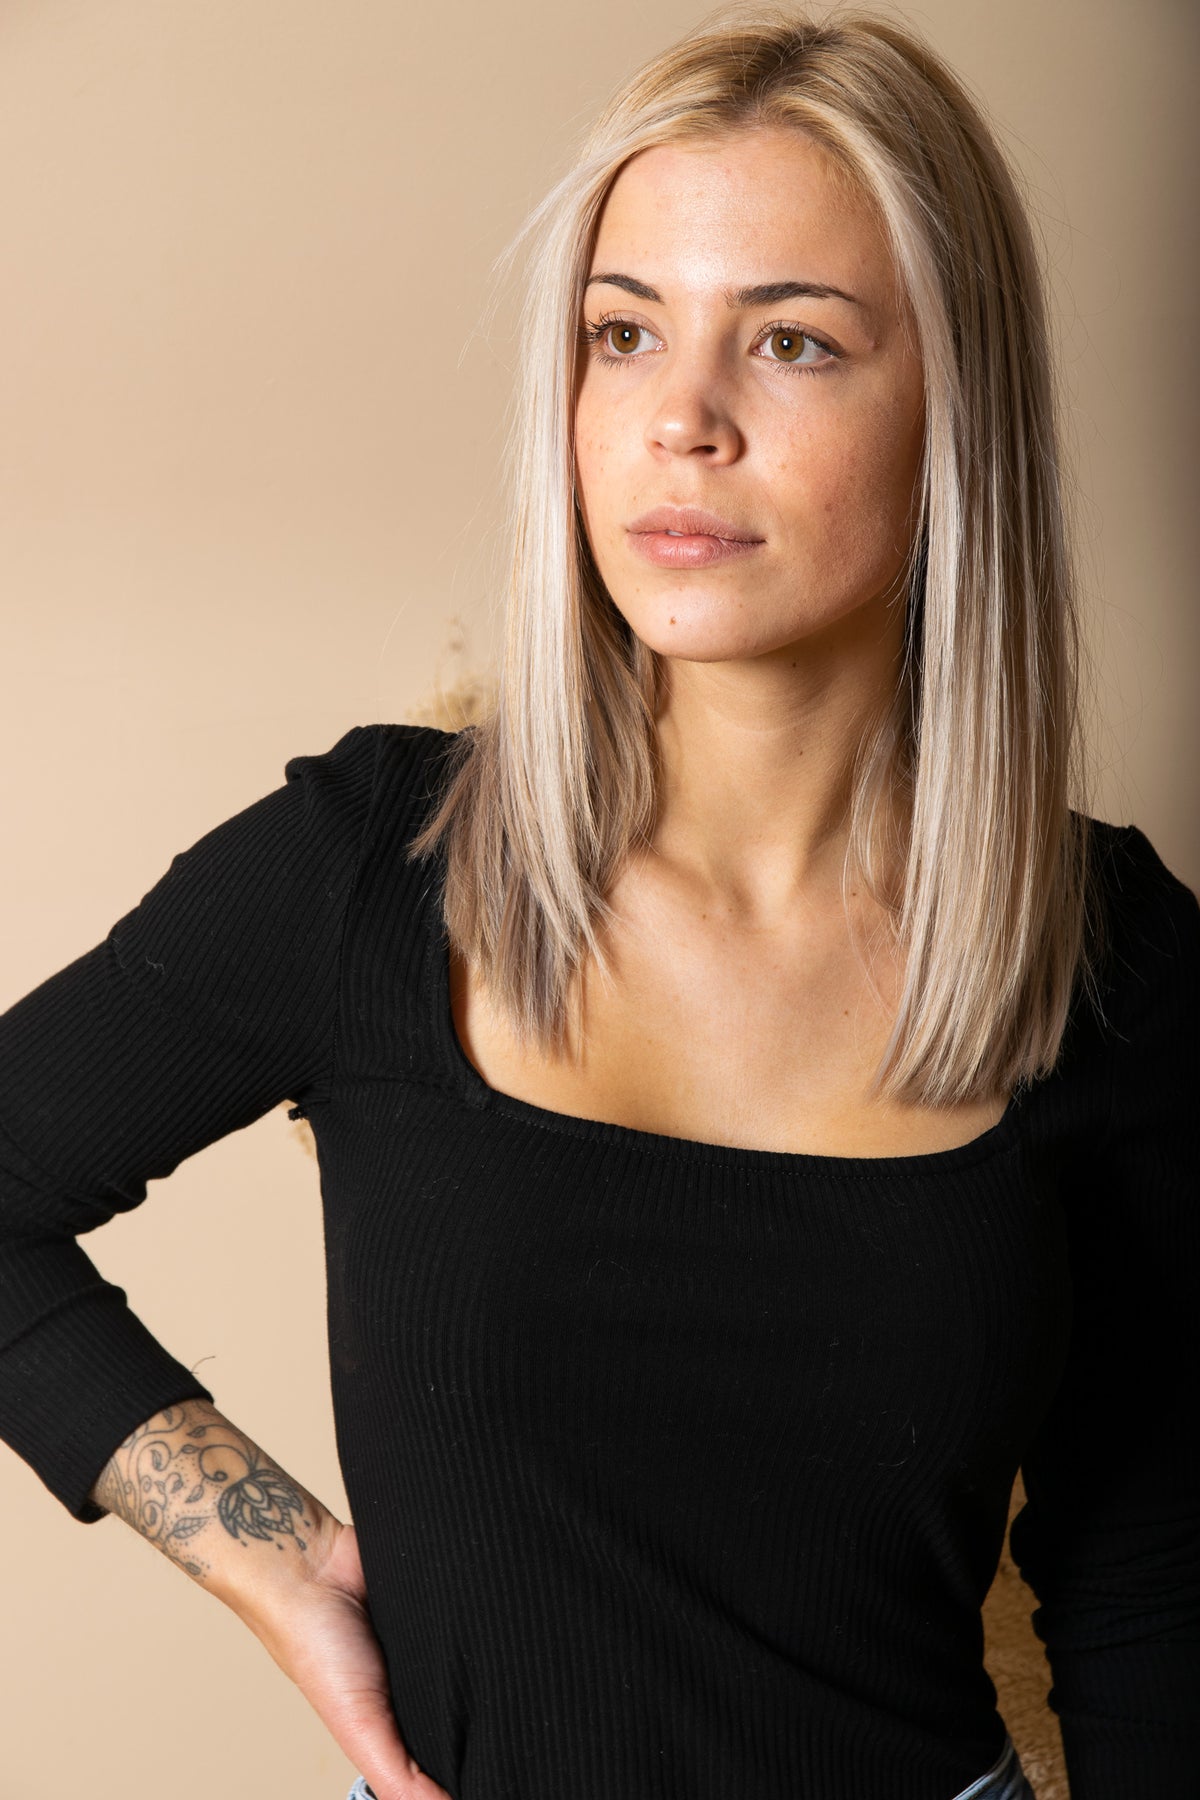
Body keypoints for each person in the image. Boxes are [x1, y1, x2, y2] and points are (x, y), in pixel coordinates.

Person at [0, 7, 1196, 1798]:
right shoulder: (376, 863)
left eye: (791, 341)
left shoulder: (1114, 960)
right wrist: (271, 1559)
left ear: (959, 410)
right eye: (622, 333)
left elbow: (1151, 1576)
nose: (679, 420)